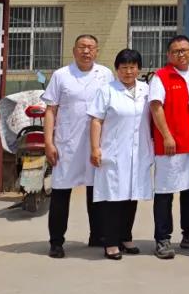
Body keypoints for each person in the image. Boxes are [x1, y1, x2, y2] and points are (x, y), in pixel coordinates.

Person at [42, 34, 114, 258]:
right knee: (61, 193)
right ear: (74, 51)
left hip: (96, 143)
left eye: (91, 47)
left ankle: (98, 235)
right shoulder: (61, 75)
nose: (86, 51)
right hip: (68, 144)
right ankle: (56, 242)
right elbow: (50, 110)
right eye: (82, 47)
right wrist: (48, 142)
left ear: (97, 51)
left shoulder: (105, 74)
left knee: (97, 191)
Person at [88, 48, 154, 260]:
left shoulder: (146, 90)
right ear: (116, 69)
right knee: (113, 199)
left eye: (132, 67)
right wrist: (95, 148)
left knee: (131, 197)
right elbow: (96, 120)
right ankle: (111, 242)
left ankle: (126, 237)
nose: (128, 72)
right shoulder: (107, 90)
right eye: (124, 67)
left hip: (139, 151)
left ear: (139, 69)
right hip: (114, 152)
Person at [148, 35, 189, 260]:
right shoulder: (162, 77)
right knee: (165, 192)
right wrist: (166, 136)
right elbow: (156, 107)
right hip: (171, 146)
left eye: (185, 50)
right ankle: (162, 238)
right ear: (168, 55)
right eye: (176, 51)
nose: (181, 54)